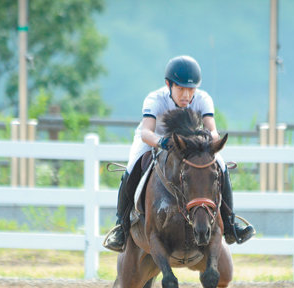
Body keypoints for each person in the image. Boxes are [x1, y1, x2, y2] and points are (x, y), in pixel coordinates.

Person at [103, 55, 255, 252]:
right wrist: (162, 142)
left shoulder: (203, 99)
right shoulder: (154, 99)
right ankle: (121, 227)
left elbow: (212, 129)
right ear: (169, 84)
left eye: (190, 89)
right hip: (154, 140)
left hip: (190, 144)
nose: (186, 95)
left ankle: (231, 223)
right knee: (132, 167)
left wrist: (210, 143)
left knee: (221, 165)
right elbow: (145, 132)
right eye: (181, 88)